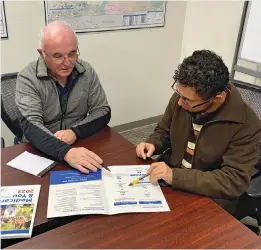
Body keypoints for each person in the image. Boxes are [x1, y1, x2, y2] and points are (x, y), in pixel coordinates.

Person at [136, 50, 261, 213]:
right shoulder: (183, 98)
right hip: (170, 179)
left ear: (218, 98)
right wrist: (153, 143)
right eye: (178, 93)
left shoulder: (246, 124)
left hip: (208, 197)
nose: (180, 102)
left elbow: (233, 181)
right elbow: (164, 130)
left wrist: (176, 176)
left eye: (187, 100)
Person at [16, 21, 111, 174]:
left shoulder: (86, 71)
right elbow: (31, 126)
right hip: (42, 148)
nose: (67, 63)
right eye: (58, 56)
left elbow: (103, 111)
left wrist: (75, 132)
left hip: (78, 142)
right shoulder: (27, 78)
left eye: (72, 53)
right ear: (42, 54)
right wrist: (66, 152)